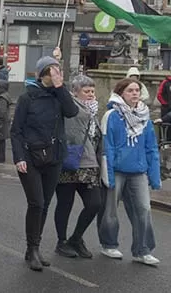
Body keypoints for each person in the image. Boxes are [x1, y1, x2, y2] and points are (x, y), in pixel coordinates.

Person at [10, 56, 78, 271]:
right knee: (36, 203)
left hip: (54, 157)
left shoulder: (60, 95)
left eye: (59, 70)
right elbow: (16, 131)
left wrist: (60, 87)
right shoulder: (28, 97)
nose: (57, 73)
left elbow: (72, 111)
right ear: (42, 74)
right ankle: (32, 248)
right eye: (52, 71)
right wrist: (19, 157)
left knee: (45, 204)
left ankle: (34, 249)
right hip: (30, 157)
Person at [98, 77, 161, 265]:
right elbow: (106, 146)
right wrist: (107, 174)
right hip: (117, 170)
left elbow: (151, 147)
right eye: (130, 90)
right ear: (121, 93)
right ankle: (109, 244)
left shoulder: (144, 116)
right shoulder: (111, 116)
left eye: (137, 90)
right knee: (110, 211)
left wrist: (154, 175)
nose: (135, 94)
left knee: (144, 209)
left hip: (138, 170)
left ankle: (143, 250)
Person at [54, 75, 103, 259]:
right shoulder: (72, 107)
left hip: (89, 164)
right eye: (86, 91)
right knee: (65, 204)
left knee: (95, 203)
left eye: (92, 91)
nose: (91, 94)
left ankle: (76, 238)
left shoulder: (93, 110)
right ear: (75, 92)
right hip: (69, 161)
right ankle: (61, 241)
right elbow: (75, 120)